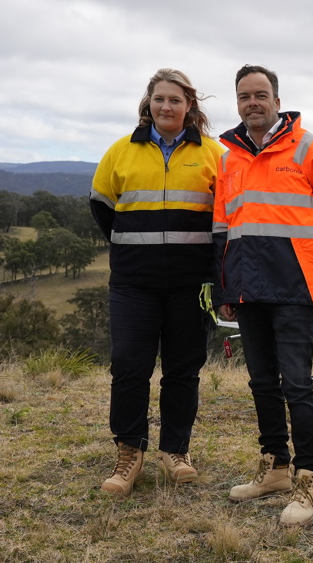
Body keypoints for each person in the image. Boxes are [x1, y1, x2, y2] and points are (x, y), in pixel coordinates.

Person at [214, 64, 313, 526]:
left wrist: (300, 255)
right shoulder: (229, 159)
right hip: (247, 287)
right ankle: (275, 466)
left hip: (295, 287)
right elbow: (223, 229)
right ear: (238, 103)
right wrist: (225, 286)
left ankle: (308, 478)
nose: (252, 103)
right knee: (261, 382)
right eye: (244, 96)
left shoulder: (311, 148)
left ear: (277, 100)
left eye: (260, 95)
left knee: (297, 384)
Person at [90, 68, 223, 496]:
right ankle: (129, 453)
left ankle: (176, 451)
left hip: (191, 284)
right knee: (129, 366)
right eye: (160, 99)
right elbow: (102, 208)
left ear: (190, 106)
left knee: (183, 369)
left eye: (175, 100)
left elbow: (225, 218)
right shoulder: (120, 152)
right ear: (148, 102)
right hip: (134, 283)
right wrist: (136, 249)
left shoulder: (214, 155)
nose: (166, 106)